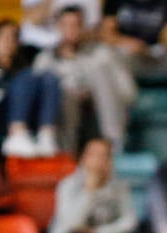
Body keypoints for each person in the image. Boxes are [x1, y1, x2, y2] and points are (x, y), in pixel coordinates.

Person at [32, 6, 138, 153]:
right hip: (65, 113)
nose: (71, 30)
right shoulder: (45, 59)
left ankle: (114, 146)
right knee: (64, 94)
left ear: (84, 27)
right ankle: (66, 153)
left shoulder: (102, 54)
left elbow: (128, 92)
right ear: (57, 27)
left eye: (76, 25)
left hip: (101, 113)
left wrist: (94, 93)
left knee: (100, 74)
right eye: (66, 25)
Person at [0, 20, 62, 158]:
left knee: (49, 78)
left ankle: (46, 134)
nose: (9, 44)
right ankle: (17, 132)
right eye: (4, 38)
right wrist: (2, 76)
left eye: (14, 39)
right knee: (24, 78)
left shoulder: (23, 72)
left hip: (26, 119)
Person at [100, 0, 167, 88]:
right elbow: (106, 35)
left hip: (160, 56)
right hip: (130, 57)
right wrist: (127, 42)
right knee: (104, 54)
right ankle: (126, 98)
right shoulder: (117, 2)